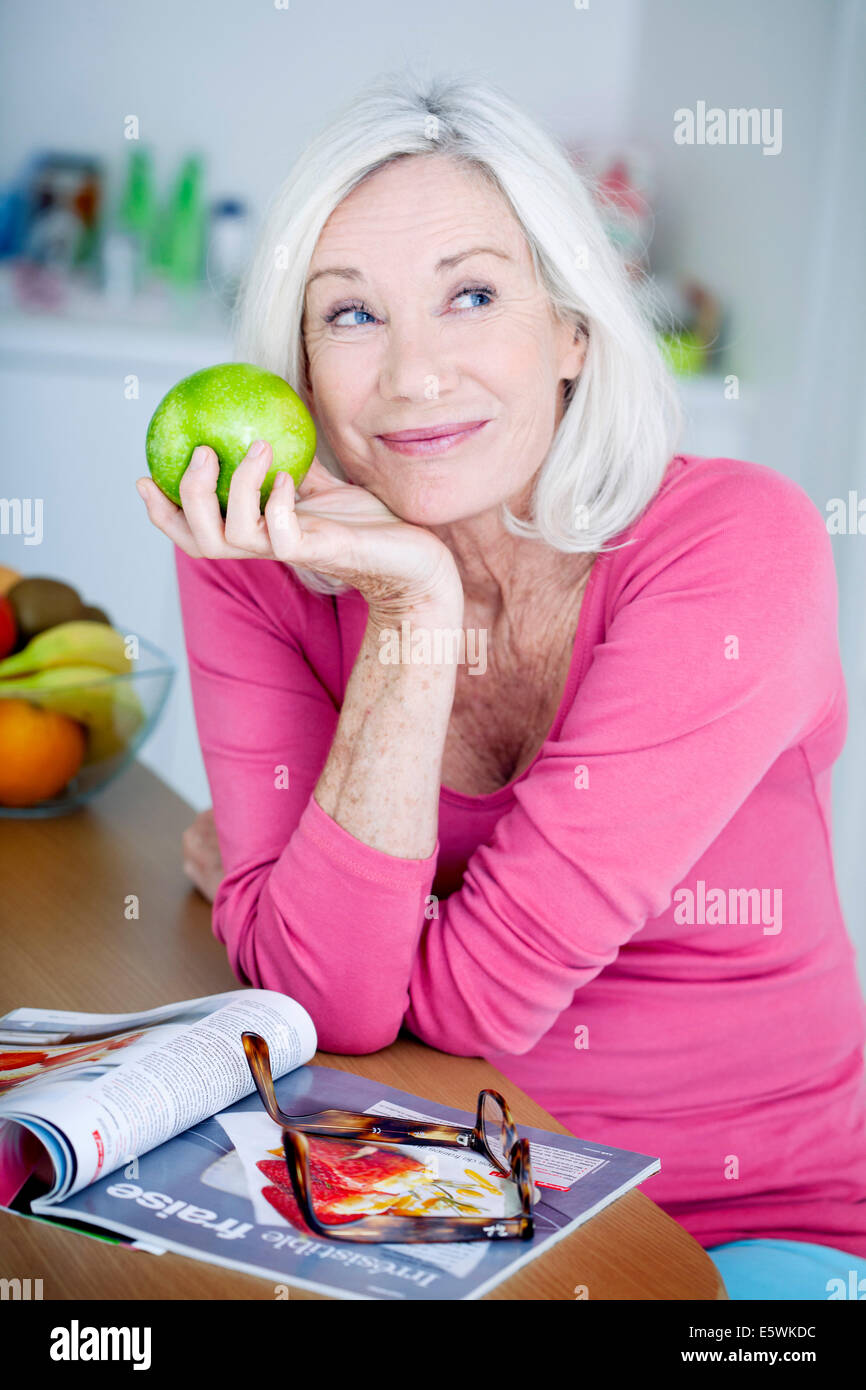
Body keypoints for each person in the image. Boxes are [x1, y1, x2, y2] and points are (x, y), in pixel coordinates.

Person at [137, 71, 866, 1300]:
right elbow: (321, 998)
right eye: (349, 316)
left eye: (470, 296)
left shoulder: (736, 549)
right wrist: (412, 600)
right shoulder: (261, 563)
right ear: (299, 365)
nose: (414, 376)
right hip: (418, 1202)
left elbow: (470, 1000)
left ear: (570, 329)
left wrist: (331, 910)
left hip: (743, 1233)